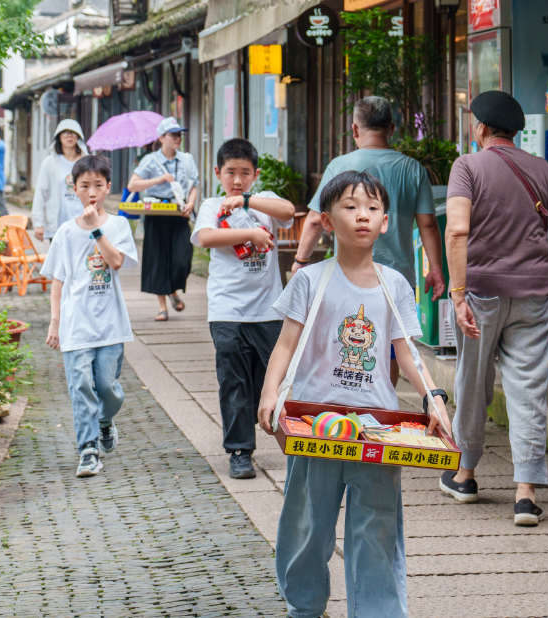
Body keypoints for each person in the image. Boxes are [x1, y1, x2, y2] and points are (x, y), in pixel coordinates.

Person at [258, 171, 451, 618]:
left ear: (385, 222)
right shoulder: (309, 281)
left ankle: (378, 611)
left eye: (372, 207)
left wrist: (434, 398)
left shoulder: (395, 284)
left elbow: (408, 355)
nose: (361, 215)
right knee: (307, 525)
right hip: (313, 423)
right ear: (327, 220)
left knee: (377, 527)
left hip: (378, 429)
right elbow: (286, 344)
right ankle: (303, 607)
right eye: (349, 206)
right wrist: (270, 394)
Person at [439, 90, 548, 526]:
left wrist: (457, 294)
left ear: (479, 127)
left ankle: (465, 474)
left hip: (480, 293)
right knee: (529, 388)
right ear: (515, 131)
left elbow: (457, 232)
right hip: (536, 293)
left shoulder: (467, 166)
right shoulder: (542, 169)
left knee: (473, 382)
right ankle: (526, 493)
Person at [292, 96, 445, 385]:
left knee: (347, 341)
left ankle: (347, 407)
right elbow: (428, 223)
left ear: (354, 129)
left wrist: (301, 261)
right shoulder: (413, 168)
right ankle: (384, 405)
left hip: (348, 276)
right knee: (393, 350)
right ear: (391, 128)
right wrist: (435, 268)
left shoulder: (341, 165)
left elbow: (314, 219)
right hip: (399, 278)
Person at [191, 138, 295, 479]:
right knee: (233, 380)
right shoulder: (211, 205)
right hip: (226, 311)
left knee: (277, 380)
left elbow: (289, 213)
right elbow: (205, 237)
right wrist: (250, 231)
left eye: (245, 173)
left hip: (268, 311)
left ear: (256, 174)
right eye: (230, 172)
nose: (237, 180)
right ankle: (240, 450)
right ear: (217, 172)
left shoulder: (265, 203)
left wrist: (248, 201)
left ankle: (295, 446)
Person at [42, 155, 139, 478]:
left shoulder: (118, 225)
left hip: (111, 326)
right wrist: (55, 321)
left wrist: (97, 230)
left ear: (108, 187)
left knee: (107, 387)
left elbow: (115, 262)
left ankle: (105, 420)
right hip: (75, 326)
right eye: (85, 186)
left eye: (98, 185)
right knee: (81, 385)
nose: (92, 191)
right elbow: (57, 280)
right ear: (75, 189)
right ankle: (88, 450)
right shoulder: (66, 233)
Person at [127, 117, 199, 321]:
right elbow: (133, 185)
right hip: (156, 213)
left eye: (180, 134)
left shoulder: (186, 159)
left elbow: (194, 185)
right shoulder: (150, 160)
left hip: (179, 213)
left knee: (182, 259)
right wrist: (159, 179)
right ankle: (162, 307)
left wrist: (191, 203)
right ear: (161, 138)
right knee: (157, 259)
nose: (178, 138)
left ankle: (173, 290)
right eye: (173, 134)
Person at [32, 119, 89, 242]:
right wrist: (38, 223)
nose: (69, 135)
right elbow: (40, 192)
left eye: (73, 132)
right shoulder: (49, 163)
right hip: (57, 224)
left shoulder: (86, 163)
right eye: (65, 132)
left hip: (83, 222)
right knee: (59, 260)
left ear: (79, 136)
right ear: (58, 137)